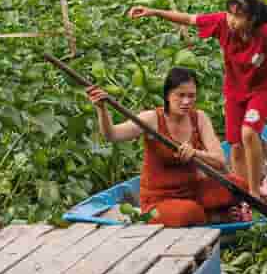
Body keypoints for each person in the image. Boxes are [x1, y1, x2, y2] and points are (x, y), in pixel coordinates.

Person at [128, 0, 267, 192]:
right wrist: (153, 11)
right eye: (230, 14)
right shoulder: (222, 23)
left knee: (248, 132)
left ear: (252, 19)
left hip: (261, 90)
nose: (231, 20)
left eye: (238, 16)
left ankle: (255, 194)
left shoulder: (266, 33)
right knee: (236, 146)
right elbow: (189, 19)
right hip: (234, 91)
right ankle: (243, 192)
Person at [85, 68, 252, 227]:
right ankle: (213, 217)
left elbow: (220, 161)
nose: (186, 102)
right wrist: (102, 109)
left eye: (191, 96)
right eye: (180, 95)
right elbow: (112, 135)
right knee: (188, 212)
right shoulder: (152, 119)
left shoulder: (199, 118)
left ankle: (211, 213)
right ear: (167, 95)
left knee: (239, 186)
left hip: (194, 191)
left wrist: (196, 154)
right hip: (158, 202)